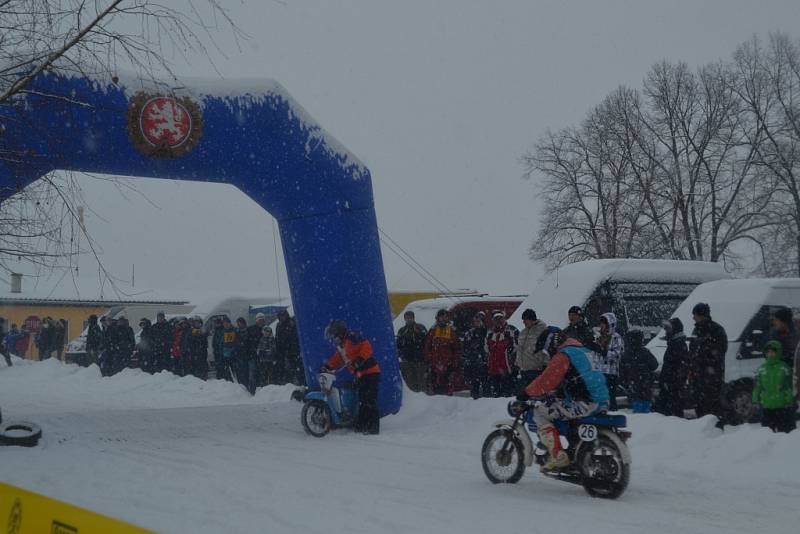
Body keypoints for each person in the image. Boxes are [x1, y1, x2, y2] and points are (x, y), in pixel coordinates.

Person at [517, 332, 609, 471]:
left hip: (586, 402)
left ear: (552, 345)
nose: (549, 355)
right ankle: (574, 451)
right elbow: (581, 377)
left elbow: (546, 381)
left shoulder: (564, 355)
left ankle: (557, 455)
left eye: (547, 351)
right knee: (563, 410)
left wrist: (526, 393)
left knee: (540, 412)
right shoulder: (584, 351)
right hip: (601, 400)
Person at [321, 320, 381, 434]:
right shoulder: (342, 346)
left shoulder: (352, 337)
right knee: (363, 400)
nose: (334, 339)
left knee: (369, 400)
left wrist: (360, 359)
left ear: (340, 333)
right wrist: (327, 366)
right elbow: (338, 358)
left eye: (335, 336)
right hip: (361, 374)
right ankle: (362, 425)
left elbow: (366, 345)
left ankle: (373, 428)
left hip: (370, 372)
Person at [689, 303, 727, 419]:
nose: (693, 317)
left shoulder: (717, 330)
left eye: (695, 314)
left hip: (712, 376)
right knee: (699, 406)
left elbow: (720, 352)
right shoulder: (696, 329)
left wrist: (704, 349)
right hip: (698, 375)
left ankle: (714, 430)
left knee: (712, 406)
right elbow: (693, 350)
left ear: (702, 315)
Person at [752, 341, 796, 433]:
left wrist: (790, 400)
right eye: (768, 352)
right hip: (767, 407)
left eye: (773, 351)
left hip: (782, 407)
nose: (770, 354)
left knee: (784, 434)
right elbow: (758, 386)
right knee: (768, 434)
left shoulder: (784, 368)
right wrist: (755, 399)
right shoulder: (761, 369)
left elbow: (789, 386)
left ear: (778, 352)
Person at [654, 318, 689, 417]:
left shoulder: (678, 345)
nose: (666, 331)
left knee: (672, 413)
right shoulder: (674, 343)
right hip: (670, 385)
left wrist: (669, 381)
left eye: (668, 329)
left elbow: (677, 366)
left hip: (673, 386)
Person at [424, 309, 461, 395]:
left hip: (448, 364)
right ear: (438, 318)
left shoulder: (451, 331)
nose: (444, 319)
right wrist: (429, 359)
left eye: (446, 317)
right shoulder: (432, 331)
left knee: (448, 388)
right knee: (434, 387)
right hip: (434, 364)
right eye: (442, 317)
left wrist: (454, 362)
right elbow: (427, 347)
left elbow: (456, 348)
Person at [620, 329, 658, 413]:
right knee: (646, 409)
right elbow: (654, 365)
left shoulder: (626, 354)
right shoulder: (645, 352)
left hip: (633, 386)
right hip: (645, 384)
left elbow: (622, 372)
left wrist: (626, 383)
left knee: (637, 408)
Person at [485, 310, 519, 397]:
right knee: (496, 396)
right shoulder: (490, 333)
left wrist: (513, 366)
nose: (499, 321)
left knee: (508, 395)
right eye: (496, 319)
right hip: (494, 370)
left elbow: (518, 348)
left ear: (504, 318)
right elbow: (487, 350)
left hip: (509, 370)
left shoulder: (512, 330)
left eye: (501, 318)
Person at [595, 313, 624, 411]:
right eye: (601, 323)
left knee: (610, 397)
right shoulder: (598, 337)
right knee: (599, 397)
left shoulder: (616, 337)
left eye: (604, 323)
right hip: (598, 371)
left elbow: (618, 354)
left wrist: (605, 352)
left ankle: (612, 414)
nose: (601, 326)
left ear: (610, 324)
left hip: (610, 372)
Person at [516, 309, 550, 389]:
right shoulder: (523, 332)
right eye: (523, 320)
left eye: (525, 320)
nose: (523, 322)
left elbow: (547, 349)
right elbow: (519, 349)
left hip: (536, 370)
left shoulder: (543, 331)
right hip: (523, 371)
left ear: (532, 319)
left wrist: (546, 366)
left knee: (535, 396)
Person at [396, 310, 428, 392]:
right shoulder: (402, 331)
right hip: (407, 361)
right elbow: (398, 345)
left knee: (422, 381)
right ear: (405, 319)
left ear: (413, 318)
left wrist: (424, 355)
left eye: (410, 318)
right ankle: (413, 397)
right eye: (407, 318)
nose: (409, 319)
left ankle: (424, 397)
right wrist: (402, 356)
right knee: (410, 382)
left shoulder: (420, 328)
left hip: (420, 360)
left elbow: (427, 342)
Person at [461, 312, 488, 399]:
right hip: (472, 365)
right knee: (474, 387)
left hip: (484, 365)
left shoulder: (487, 333)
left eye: (478, 321)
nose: (476, 323)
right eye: (475, 321)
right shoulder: (469, 334)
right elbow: (465, 350)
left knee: (486, 388)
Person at [276, 310, 302, 385]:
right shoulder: (279, 325)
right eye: (280, 316)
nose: (282, 317)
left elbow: (296, 336)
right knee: (288, 370)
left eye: (283, 315)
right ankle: (289, 384)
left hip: (295, 350)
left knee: (297, 369)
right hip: (284, 352)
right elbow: (277, 339)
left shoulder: (292, 322)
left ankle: (300, 383)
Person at [219, 316, 237, 382]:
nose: (225, 324)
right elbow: (221, 343)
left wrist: (234, 350)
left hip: (234, 355)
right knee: (226, 371)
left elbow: (237, 341)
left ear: (229, 323)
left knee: (234, 371)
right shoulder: (222, 331)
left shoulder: (234, 330)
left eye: (227, 323)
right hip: (225, 355)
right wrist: (221, 352)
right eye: (224, 323)